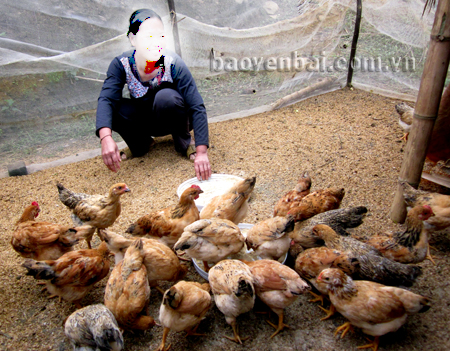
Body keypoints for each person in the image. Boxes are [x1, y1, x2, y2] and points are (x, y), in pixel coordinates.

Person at [96, 8, 211, 180]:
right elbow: (106, 99)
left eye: (160, 35)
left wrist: (202, 152)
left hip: (176, 116)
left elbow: (196, 105)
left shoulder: (173, 63)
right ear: (133, 39)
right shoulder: (121, 64)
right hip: (145, 119)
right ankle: (141, 144)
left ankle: (184, 143)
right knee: (113, 108)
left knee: (166, 98)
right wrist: (105, 137)